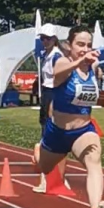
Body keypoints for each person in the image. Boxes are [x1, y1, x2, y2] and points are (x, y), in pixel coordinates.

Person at [33, 25, 104, 208]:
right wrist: (80, 61)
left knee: (94, 160)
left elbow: (98, 72)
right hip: (57, 133)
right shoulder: (62, 61)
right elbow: (57, 73)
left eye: (88, 45)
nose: (85, 49)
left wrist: (95, 65)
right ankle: (38, 152)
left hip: (82, 131)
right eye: (80, 44)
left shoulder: (92, 67)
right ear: (69, 45)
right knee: (44, 168)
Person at [33, 23, 69, 194]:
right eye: (42, 38)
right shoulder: (46, 55)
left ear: (54, 39)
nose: (44, 41)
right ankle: (52, 178)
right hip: (47, 94)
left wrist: (55, 102)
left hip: (53, 95)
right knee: (46, 135)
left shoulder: (56, 57)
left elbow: (61, 80)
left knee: (50, 136)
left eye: (47, 38)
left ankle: (51, 179)